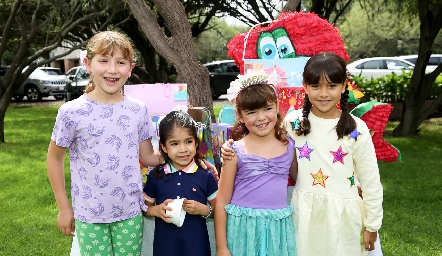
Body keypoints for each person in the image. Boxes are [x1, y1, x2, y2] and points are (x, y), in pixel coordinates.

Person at [47, 31, 217, 256]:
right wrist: (63, 207)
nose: (112, 69)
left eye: (120, 62)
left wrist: (190, 157)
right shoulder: (71, 112)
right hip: (90, 215)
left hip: (130, 213)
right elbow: (54, 158)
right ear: (88, 64)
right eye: (104, 60)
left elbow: (148, 157)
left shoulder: (138, 109)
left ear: (131, 68)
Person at [222, 52, 383, 256]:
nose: (324, 93)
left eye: (332, 85)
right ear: (305, 87)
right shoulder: (294, 122)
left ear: (344, 86)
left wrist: (372, 224)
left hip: (344, 218)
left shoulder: (356, 128)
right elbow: (261, 132)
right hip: (304, 216)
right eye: (316, 86)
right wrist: (229, 146)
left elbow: (371, 182)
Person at [214, 71, 297, 256]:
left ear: (277, 107)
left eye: (267, 108)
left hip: (277, 232)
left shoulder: (290, 147)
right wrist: (221, 248)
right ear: (240, 116)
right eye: (251, 112)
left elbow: (304, 180)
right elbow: (222, 200)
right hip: (244, 231)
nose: (261, 118)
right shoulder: (234, 151)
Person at [143, 111, 218, 256]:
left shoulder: (205, 176)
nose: (183, 149)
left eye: (188, 141)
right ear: (164, 147)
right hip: (165, 248)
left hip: (198, 248)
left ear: (196, 142)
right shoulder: (155, 176)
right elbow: (145, 208)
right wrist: (157, 210)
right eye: (174, 143)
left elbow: (218, 211)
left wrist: (205, 210)